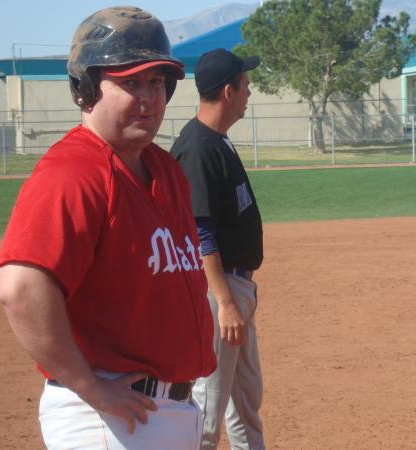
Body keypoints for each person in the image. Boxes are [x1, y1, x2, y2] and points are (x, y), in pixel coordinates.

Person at [0, 6, 216, 449]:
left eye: (157, 82)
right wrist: (89, 387)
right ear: (86, 88)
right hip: (110, 418)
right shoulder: (74, 172)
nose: (149, 97)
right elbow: (19, 287)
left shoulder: (163, 169)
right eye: (130, 82)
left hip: (164, 412)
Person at [170, 48, 266, 450]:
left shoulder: (216, 141)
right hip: (216, 291)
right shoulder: (198, 148)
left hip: (233, 288)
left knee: (244, 400)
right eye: (245, 84)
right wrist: (224, 302)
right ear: (229, 90)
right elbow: (198, 232)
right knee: (208, 410)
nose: (249, 92)